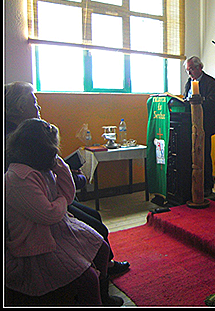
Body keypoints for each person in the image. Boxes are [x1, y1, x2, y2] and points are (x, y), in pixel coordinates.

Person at [4, 81, 130, 277]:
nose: (39, 107)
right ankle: (100, 269)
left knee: (94, 217)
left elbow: (46, 165)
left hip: (51, 193)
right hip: (41, 202)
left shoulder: (27, 131)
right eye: (34, 102)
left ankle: (104, 265)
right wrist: (70, 178)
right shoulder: (17, 139)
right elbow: (39, 170)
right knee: (95, 224)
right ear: (20, 107)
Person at [5, 118, 122, 305]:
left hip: (57, 229)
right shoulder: (18, 178)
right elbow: (49, 214)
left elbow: (67, 196)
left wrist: (58, 164)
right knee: (88, 278)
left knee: (102, 248)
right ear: (39, 147)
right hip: (36, 244)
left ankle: (104, 296)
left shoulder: (41, 167)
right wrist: (59, 202)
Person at [183, 56, 215, 200]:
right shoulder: (190, 82)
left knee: (204, 155)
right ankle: (193, 184)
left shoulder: (210, 82)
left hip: (206, 125)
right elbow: (185, 99)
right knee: (193, 155)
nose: (189, 74)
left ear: (199, 67)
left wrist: (200, 101)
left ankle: (207, 187)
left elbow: (214, 104)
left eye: (191, 69)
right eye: (187, 70)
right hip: (191, 124)